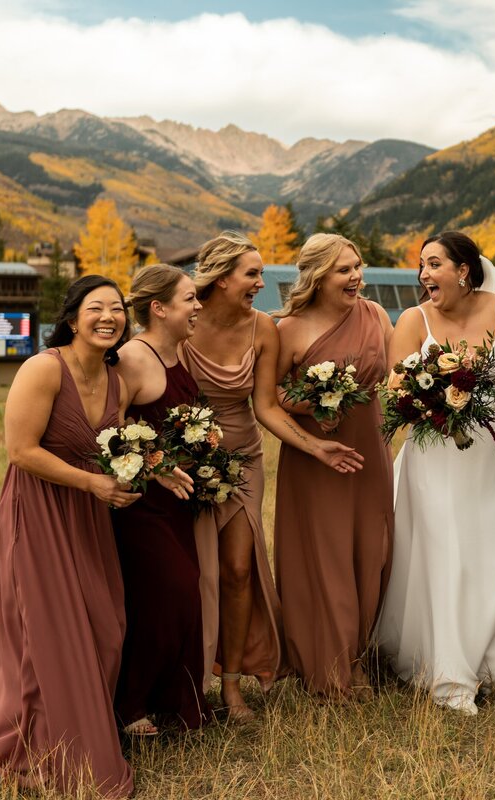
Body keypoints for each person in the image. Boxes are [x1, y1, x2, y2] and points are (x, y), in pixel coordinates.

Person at [0, 275, 138, 798]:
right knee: (47, 631)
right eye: (96, 308)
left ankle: (87, 722)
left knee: (106, 625)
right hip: (40, 509)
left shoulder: (119, 377)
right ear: (72, 318)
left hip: (88, 515)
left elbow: (123, 443)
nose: (108, 318)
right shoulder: (42, 368)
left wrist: (157, 469)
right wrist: (92, 481)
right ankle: (43, 745)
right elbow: (21, 451)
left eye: (117, 309)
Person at [183, 231, 363, 721]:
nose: (262, 284)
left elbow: (265, 405)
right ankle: (186, 680)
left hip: (242, 457)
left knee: (239, 569)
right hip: (185, 458)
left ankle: (233, 685)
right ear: (220, 279)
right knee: (191, 572)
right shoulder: (183, 320)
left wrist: (314, 446)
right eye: (252, 275)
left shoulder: (263, 328)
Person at [375, 232, 495, 715]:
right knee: (446, 556)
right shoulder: (414, 319)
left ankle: (491, 660)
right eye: (421, 266)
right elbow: (396, 386)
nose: (423, 275)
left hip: (494, 455)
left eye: (433, 264)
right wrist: (433, 393)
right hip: (435, 455)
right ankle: (448, 674)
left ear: (464, 269)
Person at [274, 233, 394, 700]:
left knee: (373, 552)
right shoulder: (288, 328)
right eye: (344, 270)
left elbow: (395, 372)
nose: (356, 277)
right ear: (318, 276)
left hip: (370, 448)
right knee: (326, 558)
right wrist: (315, 400)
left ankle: (360, 653)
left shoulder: (376, 315)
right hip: (316, 456)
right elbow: (273, 397)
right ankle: (332, 667)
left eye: (358, 266)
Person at [111, 265, 210, 735]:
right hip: (141, 505)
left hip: (177, 504)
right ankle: (128, 706)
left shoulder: (180, 353)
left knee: (182, 595)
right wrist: (155, 465)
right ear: (159, 307)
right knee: (170, 595)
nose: (198, 307)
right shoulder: (133, 357)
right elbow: (107, 434)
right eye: (190, 299)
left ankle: (174, 703)